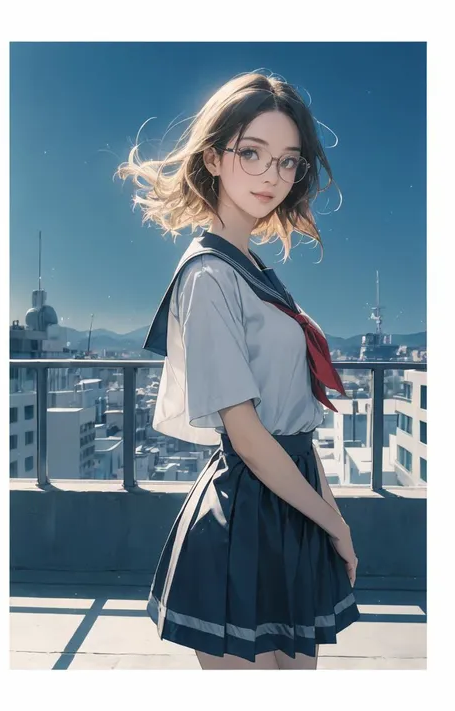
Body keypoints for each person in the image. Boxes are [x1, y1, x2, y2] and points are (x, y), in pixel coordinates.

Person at [116, 71, 360, 670]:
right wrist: (336, 524)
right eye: (251, 153)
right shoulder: (209, 274)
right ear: (214, 157)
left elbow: (295, 421)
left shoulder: (254, 268)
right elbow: (247, 435)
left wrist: (330, 515)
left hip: (291, 502)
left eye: (287, 162)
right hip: (246, 513)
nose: (271, 176)